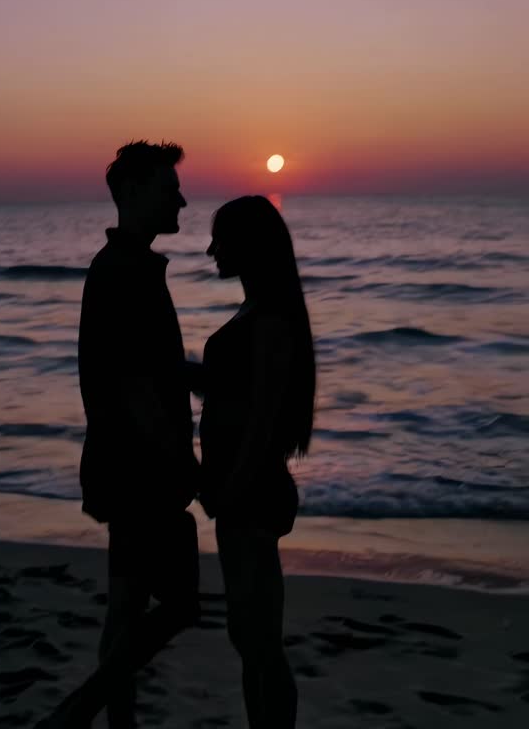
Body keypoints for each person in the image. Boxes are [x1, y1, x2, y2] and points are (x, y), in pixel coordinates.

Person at [38, 141, 200, 729]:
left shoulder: (129, 267)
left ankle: (112, 721)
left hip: (126, 465)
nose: (180, 199)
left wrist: (205, 377)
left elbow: (148, 366)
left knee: (129, 607)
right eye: (167, 188)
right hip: (140, 472)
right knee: (177, 604)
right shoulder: (125, 271)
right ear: (131, 193)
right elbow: (134, 387)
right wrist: (182, 463)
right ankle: (79, 711)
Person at [199, 195, 316, 729]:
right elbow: (231, 394)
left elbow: (264, 418)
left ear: (248, 245)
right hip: (238, 490)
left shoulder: (269, 319)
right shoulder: (255, 312)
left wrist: (231, 486)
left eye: (221, 239)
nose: (210, 250)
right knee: (247, 636)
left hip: (252, 489)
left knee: (259, 639)